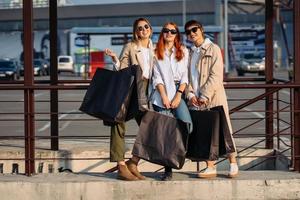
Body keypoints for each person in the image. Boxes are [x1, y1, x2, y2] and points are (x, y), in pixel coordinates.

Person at [184, 20, 239, 178]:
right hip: (197, 101)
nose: (192, 33)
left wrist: (205, 95)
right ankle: (210, 166)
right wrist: (191, 94)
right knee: (206, 132)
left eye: (194, 30)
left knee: (224, 130)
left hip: (213, 98)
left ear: (201, 30)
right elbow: (188, 78)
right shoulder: (191, 53)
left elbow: (216, 75)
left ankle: (233, 163)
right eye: (188, 32)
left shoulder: (213, 48)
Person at [104, 17, 154, 181]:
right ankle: (121, 166)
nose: (143, 30)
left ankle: (133, 162)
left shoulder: (156, 48)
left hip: (150, 90)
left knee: (149, 127)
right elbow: (122, 69)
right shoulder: (131, 47)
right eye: (139, 28)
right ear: (136, 32)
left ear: (150, 30)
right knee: (118, 123)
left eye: (146, 27)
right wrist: (115, 60)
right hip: (133, 87)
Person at [151, 22, 192, 181]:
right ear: (162, 33)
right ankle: (168, 169)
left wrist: (178, 95)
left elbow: (185, 77)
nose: (169, 33)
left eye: (172, 31)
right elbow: (157, 77)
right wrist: (164, 96)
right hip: (161, 93)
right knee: (166, 132)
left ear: (176, 34)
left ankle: (178, 154)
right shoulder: (155, 52)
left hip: (178, 91)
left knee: (187, 125)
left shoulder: (183, 51)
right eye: (166, 30)